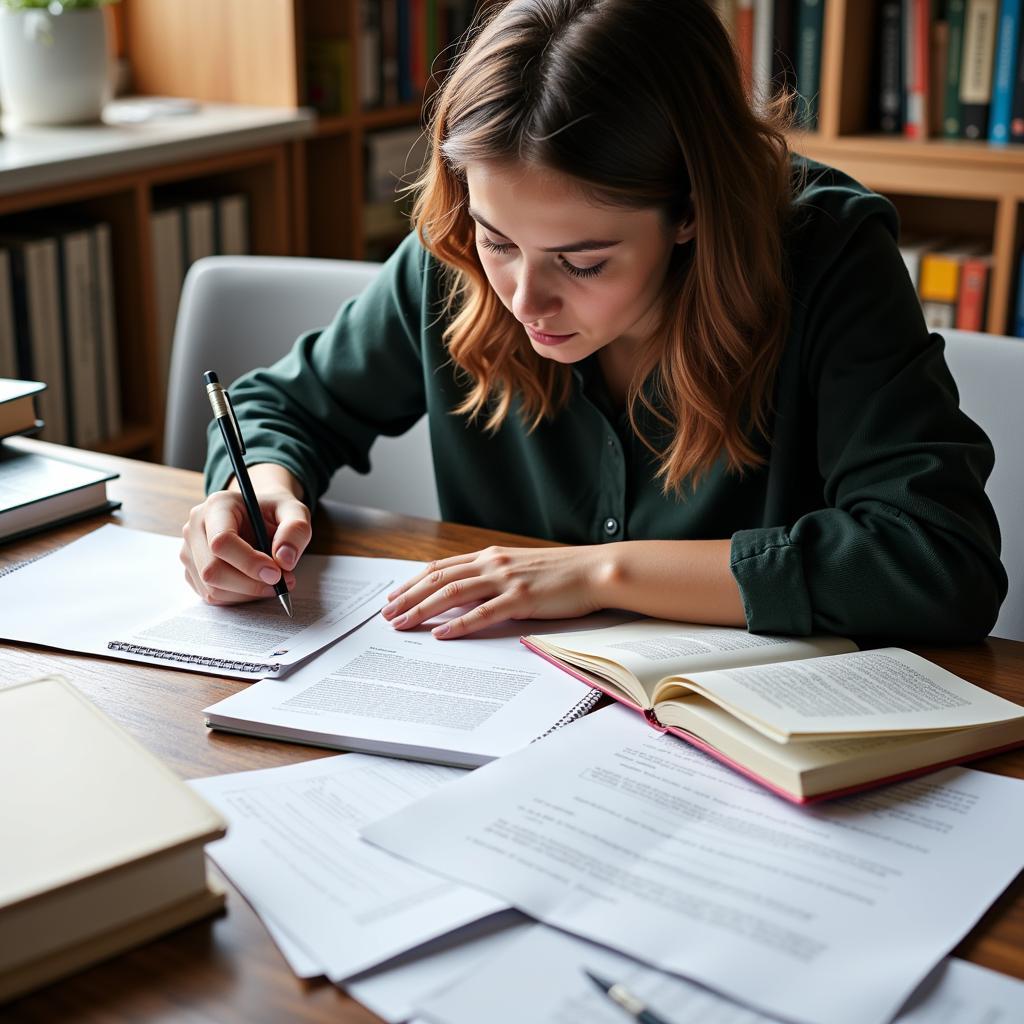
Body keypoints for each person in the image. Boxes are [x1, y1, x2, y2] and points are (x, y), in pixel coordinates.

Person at [181, 0, 1006, 644]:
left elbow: (937, 560)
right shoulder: (460, 254)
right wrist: (256, 495)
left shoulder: (828, 256)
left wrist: (601, 574)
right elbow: (280, 408)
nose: (522, 298)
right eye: (498, 239)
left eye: (583, 262)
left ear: (690, 211)